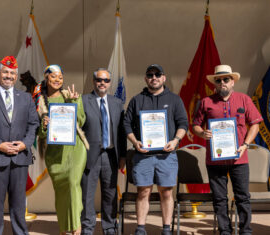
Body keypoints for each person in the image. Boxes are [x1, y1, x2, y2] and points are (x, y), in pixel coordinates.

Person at [192, 65, 263, 235]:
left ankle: (245, 231)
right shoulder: (206, 102)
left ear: (233, 82)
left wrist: (245, 144)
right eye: (218, 80)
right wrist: (202, 133)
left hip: (239, 158)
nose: (222, 82)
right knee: (219, 199)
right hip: (215, 160)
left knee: (243, 197)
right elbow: (195, 125)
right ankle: (225, 231)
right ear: (214, 83)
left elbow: (255, 124)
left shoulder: (244, 99)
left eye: (226, 79)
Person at [0, 56, 39, 235]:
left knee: (19, 206)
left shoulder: (26, 98)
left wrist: (25, 144)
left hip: (20, 159)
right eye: (5, 72)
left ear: (16, 76)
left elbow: (34, 124)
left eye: (12, 73)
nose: (9, 76)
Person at [124, 64, 188, 235]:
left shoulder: (175, 99)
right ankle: (141, 228)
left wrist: (176, 140)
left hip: (166, 156)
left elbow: (183, 123)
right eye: (150, 75)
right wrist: (135, 141)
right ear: (146, 78)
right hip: (142, 155)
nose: (154, 78)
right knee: (143, 191)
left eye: (157, 75)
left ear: (163, 78)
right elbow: (126, 124)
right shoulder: (137, 100)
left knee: (166, 192)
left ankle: (166, 228)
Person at [35, 65, 88, 235]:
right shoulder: (39, 101)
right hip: (55, 153)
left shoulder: (70, 96)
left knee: (73, 185)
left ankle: (76, 229)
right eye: (53, 77)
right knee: (62, 190)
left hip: (75, 150)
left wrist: (74, 102)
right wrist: (44, 125)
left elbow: (80, 120)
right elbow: (39, 133)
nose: (58, 80)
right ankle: (64, 229)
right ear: (46, 78)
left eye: (60, 77)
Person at [80, 68, 126, 235]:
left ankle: (109, 227)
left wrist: (123, 156)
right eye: (99, 80)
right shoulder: (83, 100)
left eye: (106, 80)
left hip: (111, 155)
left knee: (110, 194)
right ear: (94, 81)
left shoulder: (117, 103)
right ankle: (87, 228)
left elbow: (121, 131)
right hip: (89, 155)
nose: (102, 83)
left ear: (109, 83)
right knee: (87, 195)